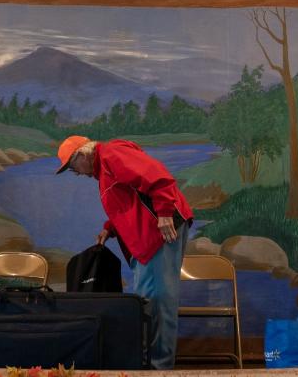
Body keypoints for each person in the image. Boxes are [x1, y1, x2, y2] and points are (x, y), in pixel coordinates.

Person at [55, 135, 194, 370]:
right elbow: (128, 201)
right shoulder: (104, 168)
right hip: (149, 238)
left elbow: (158, 176)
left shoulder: (110, 155)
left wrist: (164, 212)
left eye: (72, 167)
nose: (76, 173)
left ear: (82, 154)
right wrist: (110, 229)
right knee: (149, 304)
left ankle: (158, 370)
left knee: (158, 305)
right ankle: (150, 365)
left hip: (157, 235)